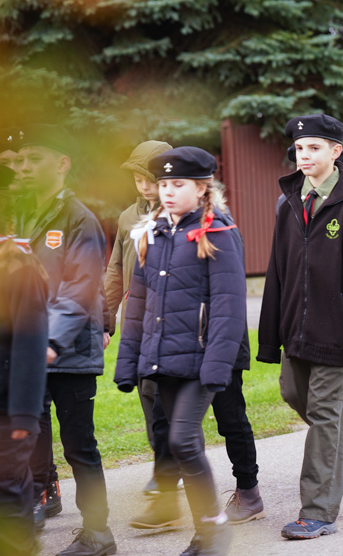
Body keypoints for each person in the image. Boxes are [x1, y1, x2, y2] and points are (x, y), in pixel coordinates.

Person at [257, 114, 343, 540]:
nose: (305, 156)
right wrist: (271, 333)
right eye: (299, 149)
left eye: (314, 148)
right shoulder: (287, 201)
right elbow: (277, 271)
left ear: (336, 151)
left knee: (326, 414)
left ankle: (317, 511)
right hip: (296, 327)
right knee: (298, 397)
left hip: (337, 332)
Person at [116, 146, 245, 556]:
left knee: (184, 440)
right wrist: (128, 362)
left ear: (202, 187)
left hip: (202, 361)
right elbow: (138, 303)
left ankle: (214, 530)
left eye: (178, 184)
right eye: (164, 184)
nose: (168, 191)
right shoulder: (151, 233)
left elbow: (229, 307)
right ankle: (207, 531)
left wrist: (217, 367)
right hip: (163, 358)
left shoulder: (217, 233)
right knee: (177, 443)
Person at [14, 124, 116, 555]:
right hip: (24, 352)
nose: (23, 167)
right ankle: (32, 510)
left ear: (61, 164)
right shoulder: (16, 213)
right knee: (29, 440)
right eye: (18, 160)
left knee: (80, 446)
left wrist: (47, 342)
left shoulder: (80, 220)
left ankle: (98, 533)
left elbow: (79, 291)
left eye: (34, 158)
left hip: (68, 354)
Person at [104, 140, 171, 495]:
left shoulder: (180, 213)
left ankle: (170, 470)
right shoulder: (128, 217)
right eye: (138, 180)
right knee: (147, 393)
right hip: (137, 323)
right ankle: (165, 466)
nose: (144, 187)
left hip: (171, 323)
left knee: (167, 396)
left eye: (151, 179)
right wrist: (105, 320)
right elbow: (115, 269)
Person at [0, 164, 49, 556]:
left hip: (7, 410)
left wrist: (23, 416)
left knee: (7, 489)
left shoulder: (17, 265)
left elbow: (30, 344)